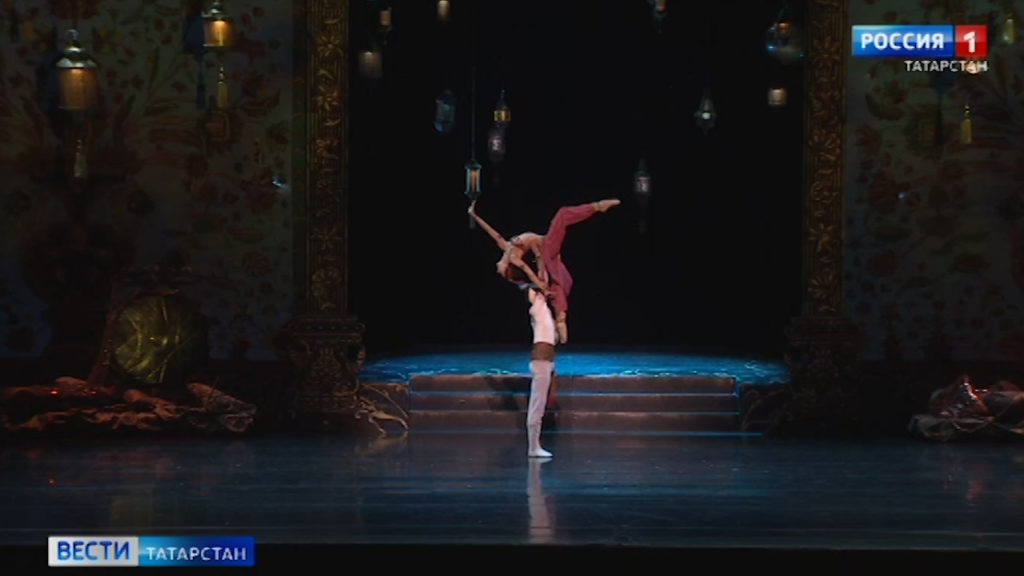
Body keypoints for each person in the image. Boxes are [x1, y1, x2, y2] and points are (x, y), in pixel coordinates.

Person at [468, 197, 620, 344]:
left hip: (547, 246)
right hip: (546, 248)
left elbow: (491, 232)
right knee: (562, 215)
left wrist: (474, 215)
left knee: (558, 278)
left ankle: (560, 318)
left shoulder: (506, 246)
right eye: (501, 272)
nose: (498, 270)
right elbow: (528, 271)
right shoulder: (514, 258)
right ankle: (598, 206)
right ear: (507, 268)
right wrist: (541, 285)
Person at [525, 283, 556, 458]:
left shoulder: (545, 312)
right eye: (536, 293)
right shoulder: (536, 310)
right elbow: (537, 282)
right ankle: (533, 447)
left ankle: (535, 446)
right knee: (537, 405)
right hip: (541, 361)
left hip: (547, 361)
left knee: (541, 404)